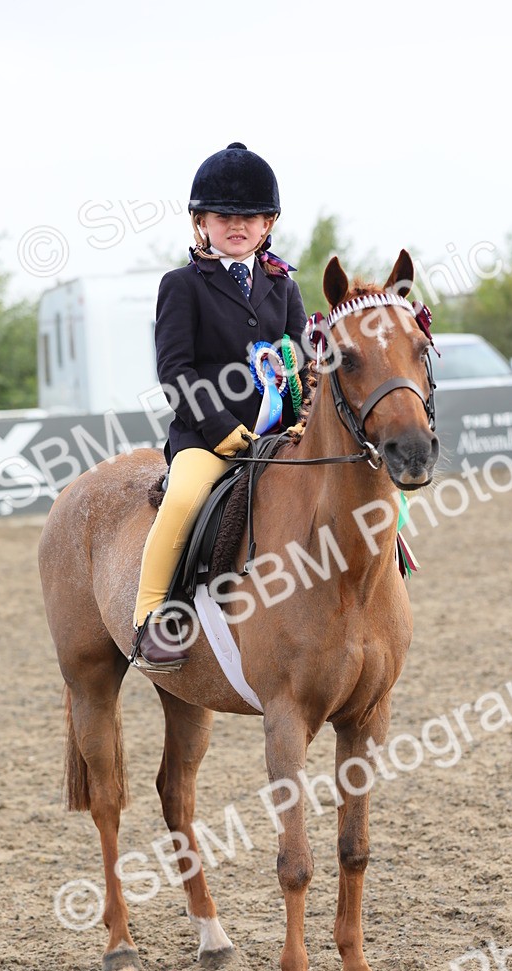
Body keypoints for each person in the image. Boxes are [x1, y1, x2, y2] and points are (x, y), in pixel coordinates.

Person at [131, 142, 309, 669]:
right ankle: (152, 618)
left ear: (268, 222)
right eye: (224, 216)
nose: (238, 225)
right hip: (208, 437)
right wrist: (221, 429)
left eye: (250, 216)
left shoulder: (283, 288)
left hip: (280, 434)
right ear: (200, 222)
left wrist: (304, 420)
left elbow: (301, 365)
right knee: (184, 497)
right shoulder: (182, 286)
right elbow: (175, 372)